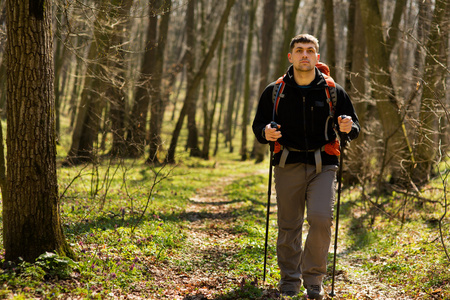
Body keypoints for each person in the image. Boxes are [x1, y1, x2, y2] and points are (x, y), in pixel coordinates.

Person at [252, 34, 360, 299]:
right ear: (290, 57)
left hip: (323, 164)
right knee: (289, 224)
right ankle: (289, 280)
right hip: (287, 163)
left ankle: (314, 280)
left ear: (317, 57)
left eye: (310, 51)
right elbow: (258, 127)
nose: (304, 55)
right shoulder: (275, 91)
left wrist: (348, 126)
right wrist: (266, 132)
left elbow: (353, 127)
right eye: (299, 50)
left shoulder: (333, 91)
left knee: (321, 219)